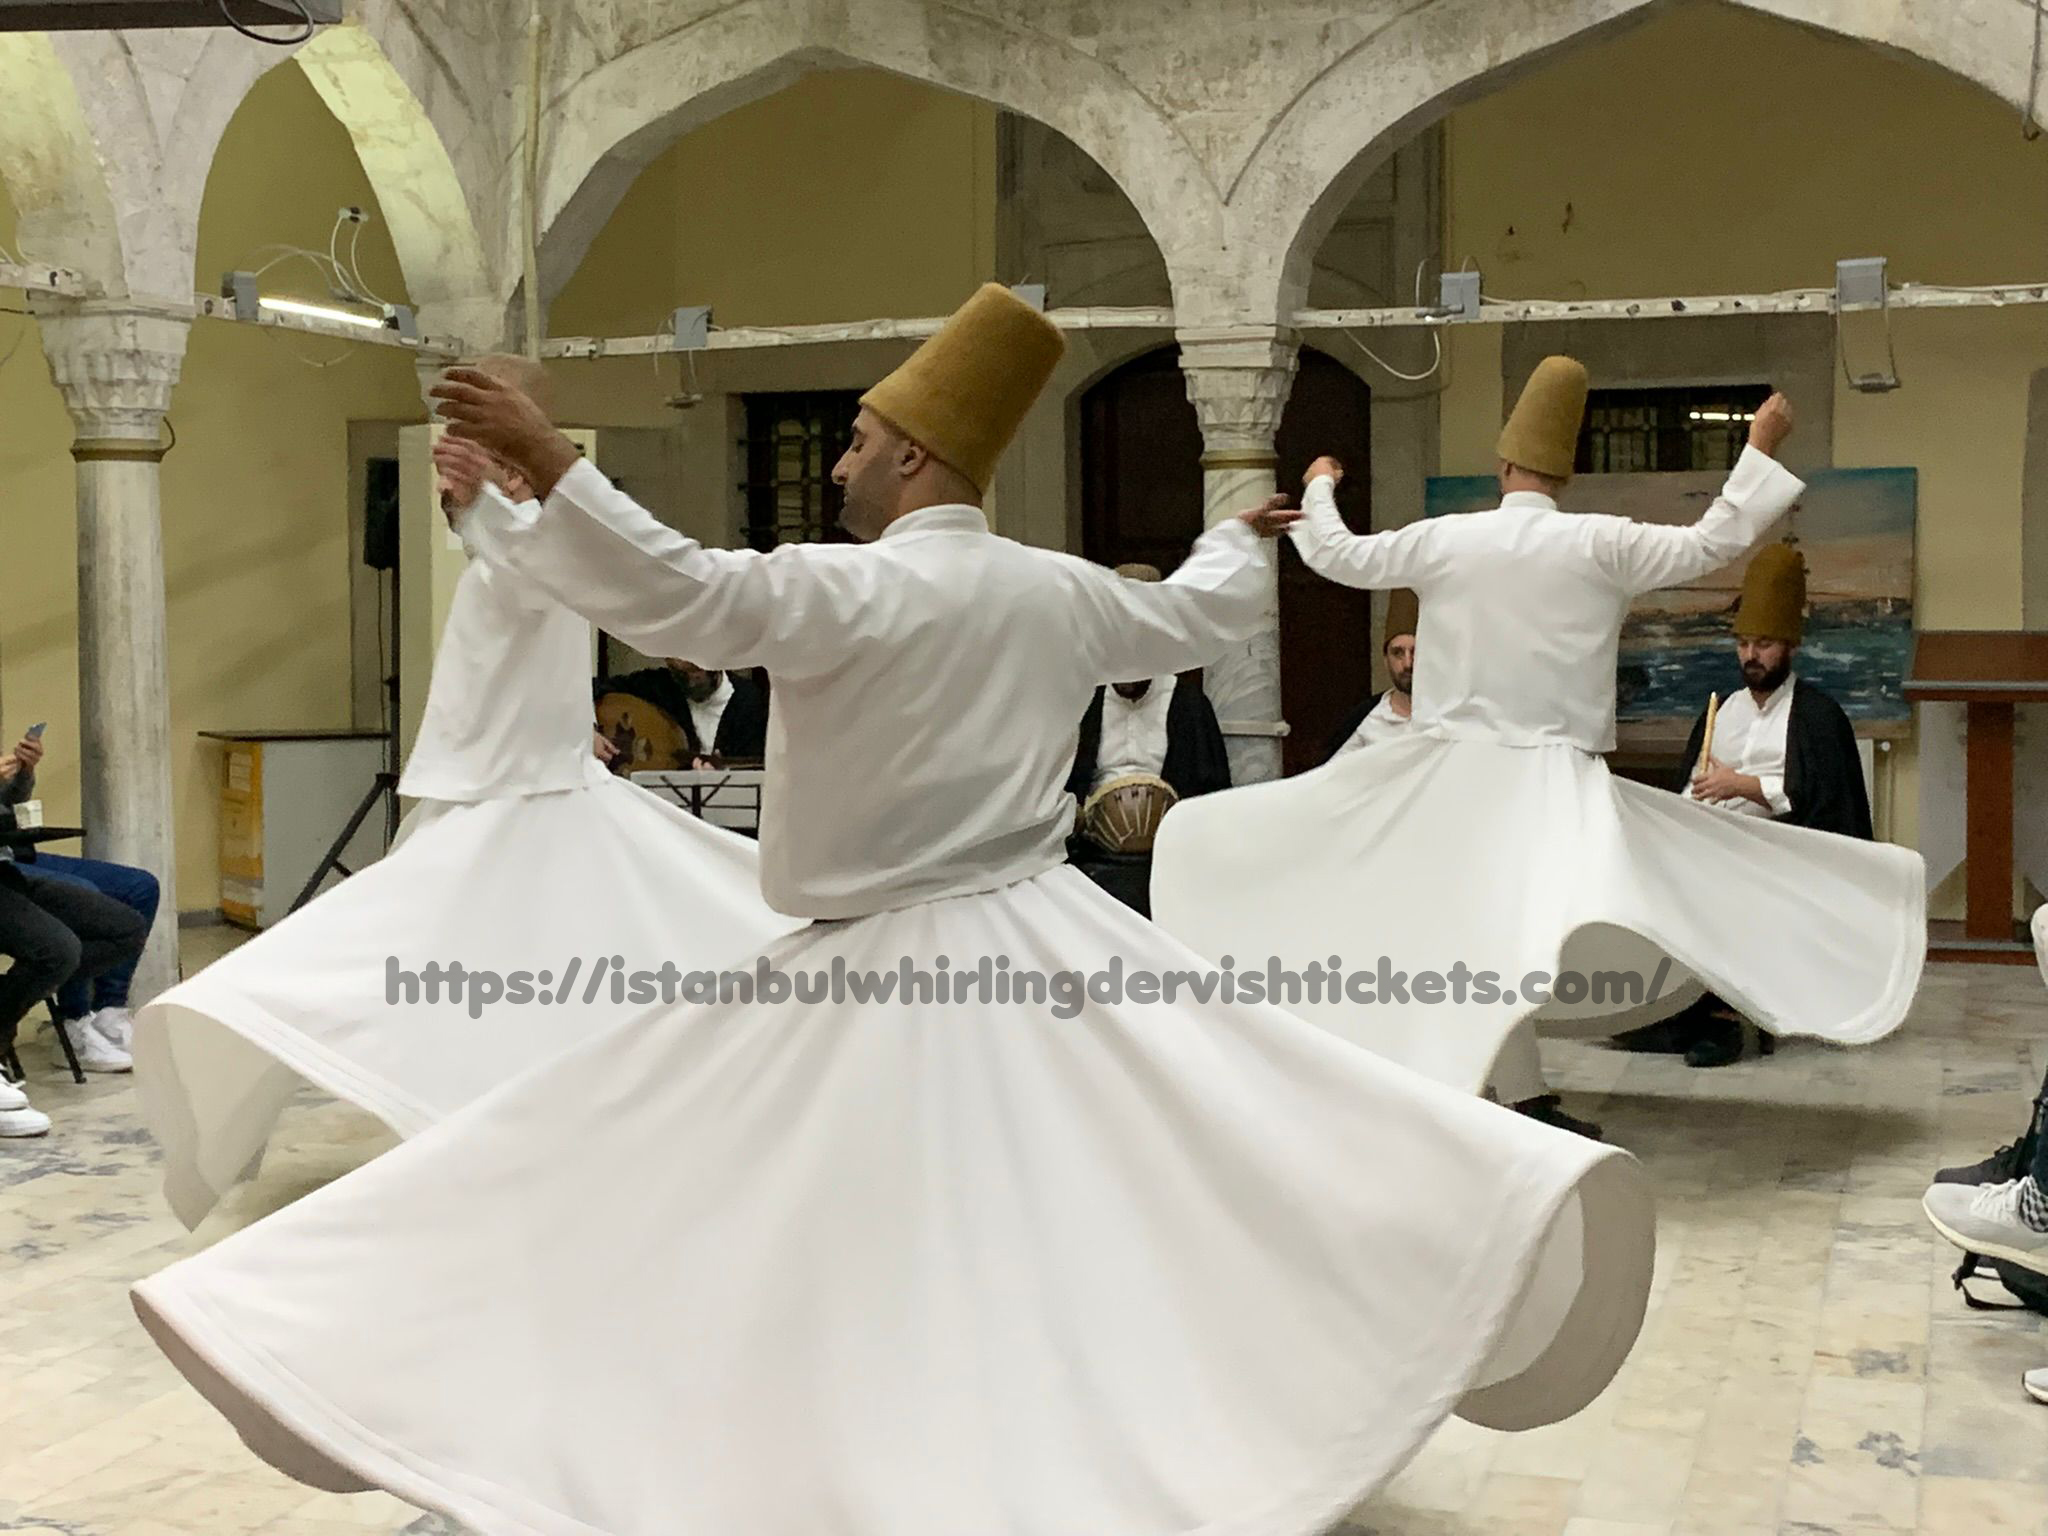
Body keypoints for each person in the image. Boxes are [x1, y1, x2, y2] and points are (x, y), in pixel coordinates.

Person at [133, 288, 1654, 1536]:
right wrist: (1232, 536)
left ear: (917, 461)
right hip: (1026, 942)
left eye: (859, 439)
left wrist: (554, 461)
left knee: (673, 1173)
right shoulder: (1052, 591)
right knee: (1087, 1201)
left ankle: (846, 1437)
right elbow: (1193, 619)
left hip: (886, 968)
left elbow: (683, 595)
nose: (843, 459)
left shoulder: (853, 590)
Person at [1152, 358, 1925, 1112]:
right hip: (1555, 782)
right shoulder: (1599, 541)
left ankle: (1495, 1089)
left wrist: (1321, 483)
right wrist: (1756, 449)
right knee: (1514, 939)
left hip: (1455, 775)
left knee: (1474, 940)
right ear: (1567, 473)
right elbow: (1711, 543)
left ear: (1503, 462)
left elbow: (1339, 555)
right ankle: (1510, 1092)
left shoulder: (1451, 539)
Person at [129, 355, 795, 1227]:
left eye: (485, 448)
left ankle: (534, 1127)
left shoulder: (545, 539)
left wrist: (481, 500)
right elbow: (520, 590)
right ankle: (509, 1124)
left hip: (520, 797)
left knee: (480, 962)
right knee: (439, 961)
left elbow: (528, 558)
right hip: (505, 790)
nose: (459, 465)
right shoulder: (531, 544)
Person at [1618, 543, 1875, 1066]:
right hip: (1713, 845)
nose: (1750, 656)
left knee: (1730, 895)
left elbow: (1827, 804)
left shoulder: (1818, 717)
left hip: (1784, 855)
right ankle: (1667, 1010)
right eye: (1742, 644)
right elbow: (1692, 783)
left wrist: (1746, 787)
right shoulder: (1722, 709)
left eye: (1763, 644)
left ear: (1788, 647)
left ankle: (1729, 1023)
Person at [1064, 562, 1230, 915]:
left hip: (1169, 856)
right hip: (1092, 858)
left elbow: (1212, 794)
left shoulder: (1188, 705)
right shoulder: (1082, 703)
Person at [0, 729, 147, 1107]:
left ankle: (13, 1001)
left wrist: (22, 775)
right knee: (58, 948)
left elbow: (9, 807)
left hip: (10, 870)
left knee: (124, 927)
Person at [595, 656, 770, 767]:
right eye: (682, 674)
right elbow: (585, 689)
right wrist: (589, 732)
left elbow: (755, 772)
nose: (692, 682)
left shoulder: (752, 702)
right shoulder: (656, 686)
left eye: (697, 671)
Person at [1322, 587, 1419, 763]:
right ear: (1385, 659)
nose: (1408, 663)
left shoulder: (1454, 712)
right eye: (1397, 653)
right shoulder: (1367, 718)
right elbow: (1329, 780)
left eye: (1416, 652)